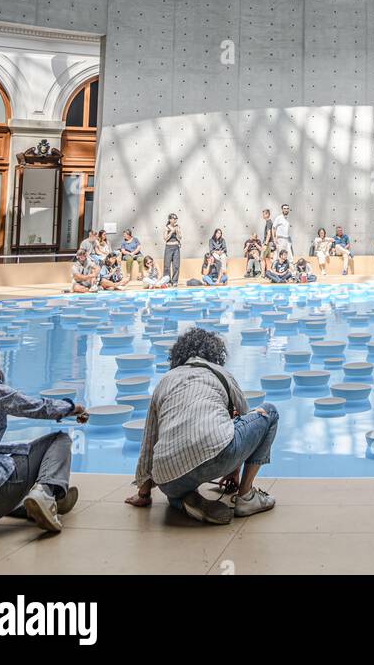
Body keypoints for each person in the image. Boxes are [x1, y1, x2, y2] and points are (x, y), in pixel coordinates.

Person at [127, 328, 277, 524]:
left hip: (167, 478)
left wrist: (144, 494)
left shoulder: (164, 381)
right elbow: (245, 423)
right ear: (215, 354)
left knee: (175, 485)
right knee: (269, 412)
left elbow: (149, 442)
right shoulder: (221, 374)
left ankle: (182, 500)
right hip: (216, 456)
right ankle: (247, 497)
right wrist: (233, 470)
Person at [0, 329, 87, 534]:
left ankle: (44, 500)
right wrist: (71, 408)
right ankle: (47, 493)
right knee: (59, 440)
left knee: (2, 458)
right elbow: (35, 407)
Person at [163, 213, 182, 288]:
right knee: (167, 265)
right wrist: (171, 231)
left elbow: (180, 237)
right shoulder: (166, 227)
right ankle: (167, 281)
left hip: (176, 247)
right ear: (170, 219)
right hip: (169, 247)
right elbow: (165, 239)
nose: (175, 220)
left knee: (176, 265)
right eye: (174, 219)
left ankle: (174, 281)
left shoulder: (177, 227)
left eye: (176, 219)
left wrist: (177, 231)